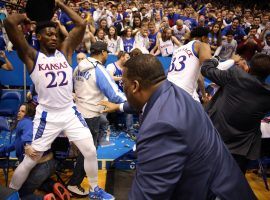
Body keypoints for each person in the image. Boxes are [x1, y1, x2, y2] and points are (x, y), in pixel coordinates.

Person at [102, 54, 256, 199]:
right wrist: (118, 107)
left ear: (135, 86)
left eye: (124, 84)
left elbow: (147, 195)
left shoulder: (160, 126)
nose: (124, 87)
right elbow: (143, 103)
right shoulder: (173, 92)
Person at [3, 1, 114, 199]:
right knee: (31, 159)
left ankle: (95, 190)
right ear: (38, 36)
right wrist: (28, 18)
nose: (54, 37)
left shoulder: (65, 52)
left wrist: (60, 4)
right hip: (48, 116)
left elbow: (80, 24)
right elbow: (10, 23)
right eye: (49, 34)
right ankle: (14, 192)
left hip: (70, 112)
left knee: (89, 150)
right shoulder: (31, 56)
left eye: (55, 34)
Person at [67, 41, 126, 197]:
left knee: (85, 151)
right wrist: (130, 102)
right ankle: (75, 183)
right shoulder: (98, 69)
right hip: (91, 116)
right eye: (107, 53)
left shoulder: (78, 67)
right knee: (89, 152)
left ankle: (78, 179)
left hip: (77, 114)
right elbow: (114, 94)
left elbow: (73, 89)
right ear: (103, 52)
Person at [201, 53, 270, 174]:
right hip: (241, 150)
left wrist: (228, 60)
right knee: (233, 188)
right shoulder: (267, 94)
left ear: (249, 66)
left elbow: (206, 68)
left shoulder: (235, 75)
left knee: (205, 181)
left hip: (215, 140)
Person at [0, 103, 69, 200]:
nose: (19, 113)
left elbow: (28, 133)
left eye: (23, 111)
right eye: (19, 111)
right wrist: (1, 151)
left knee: (19, 194)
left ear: (29, 114)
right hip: (48, 164)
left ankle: (43, 198)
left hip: (41, 164)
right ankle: (52, 185)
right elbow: (13, 145)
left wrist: (28, 145)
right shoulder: (33, 124)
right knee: (32, 180)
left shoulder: (26, 122)